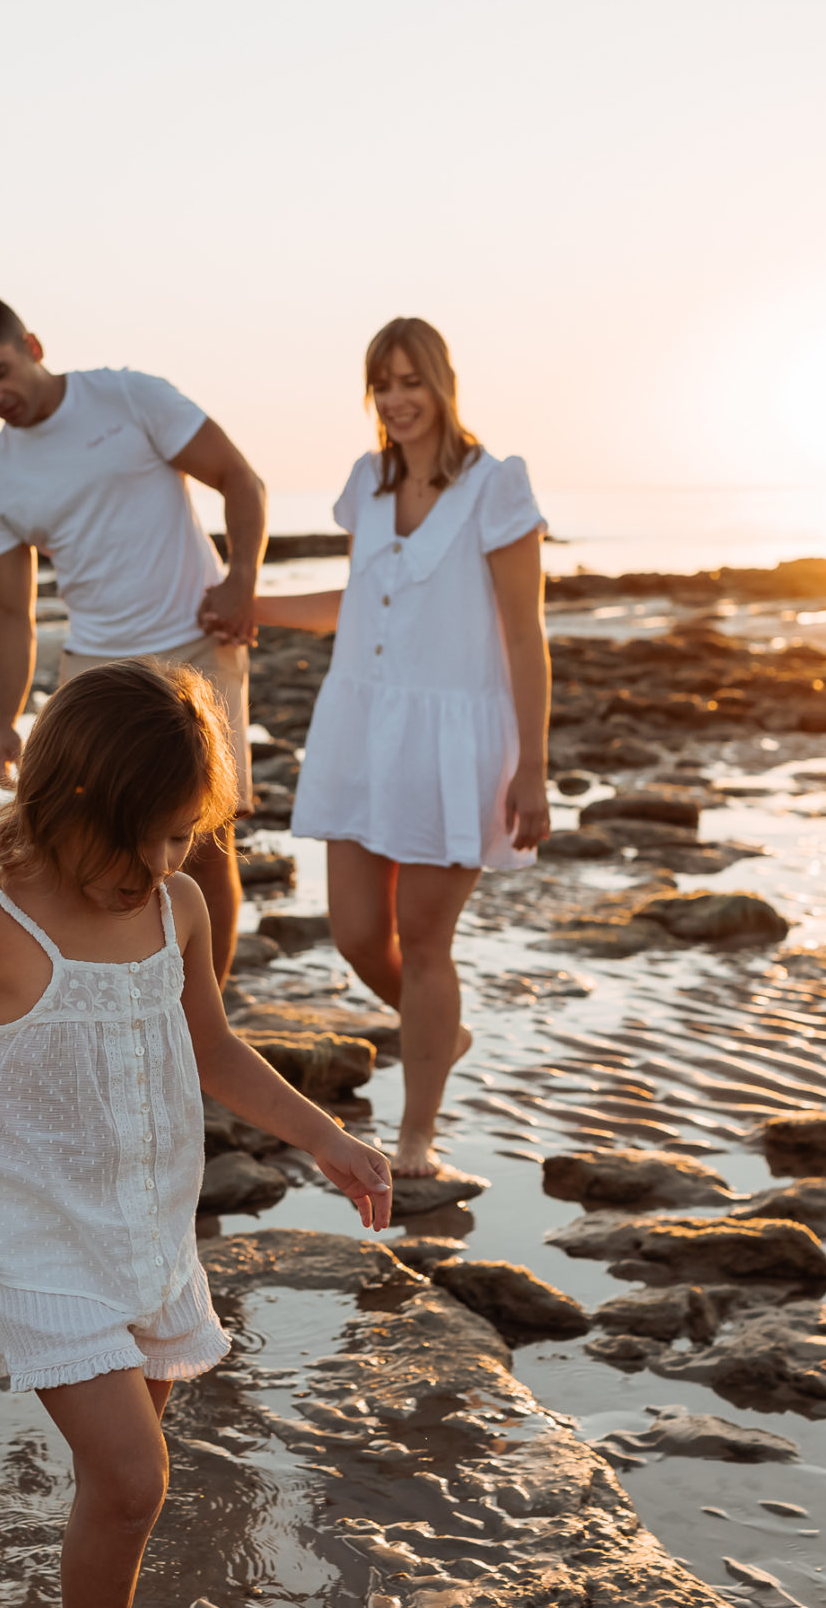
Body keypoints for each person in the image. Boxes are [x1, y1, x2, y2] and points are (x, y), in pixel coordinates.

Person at [0, 660, 393, 1608]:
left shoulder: (176, 909)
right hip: (39, 1240)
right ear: (67, 807)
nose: (161, 866)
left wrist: (325, 1138)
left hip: (150, 1232)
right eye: (141, 843)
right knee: (135, 1481)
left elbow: (213, 1049)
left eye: (182, 840)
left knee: (120, 1489)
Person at [253, 319, 551, 1179]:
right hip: (361, 726)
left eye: (411, 380)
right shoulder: (367, 482)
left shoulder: (497, 486)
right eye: (382, 383)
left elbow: (526, 637)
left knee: (423, 941)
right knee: (354, 935)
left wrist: (531, 767)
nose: (397, 399)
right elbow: (361, 603)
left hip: (452, 738)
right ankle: (440, 1030)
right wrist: (248, 605)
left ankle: (417, 1136)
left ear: (444, 383)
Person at [0, 291, 268, 982]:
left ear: (32, 345)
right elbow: (7, 608)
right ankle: (123, 991)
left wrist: (240, 582)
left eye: (0, 372)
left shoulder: (129, 398)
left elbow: (241, 478)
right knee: (89, 843)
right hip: (94, 668)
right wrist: (5, 717)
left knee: (203, 844)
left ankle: (201, 1019)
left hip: (196, 644)